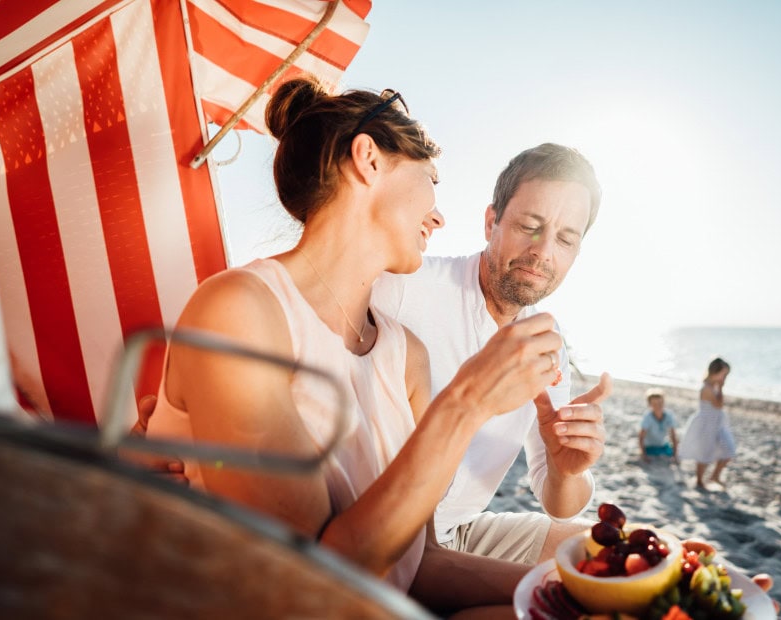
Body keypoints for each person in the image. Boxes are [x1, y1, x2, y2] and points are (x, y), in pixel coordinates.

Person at [145, 76, 562, 616]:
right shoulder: (238, 312)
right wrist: (467, 403)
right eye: (429, 179)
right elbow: (310, 586)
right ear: (367, 159)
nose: (438, 215)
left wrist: (565, 594)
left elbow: (418, 561)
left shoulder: (404, 354)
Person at [372, 143, 610, 565]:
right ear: (491, 221)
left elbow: (559, 504)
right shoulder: (405, 286)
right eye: (530, 225)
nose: (543, 251)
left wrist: (565, 466)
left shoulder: (546, 337)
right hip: (378, 530)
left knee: (609, 556)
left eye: (566, 238)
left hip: (462, 532)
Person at [678, 357, 736, 489]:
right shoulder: (706, 388)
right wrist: (721, 388)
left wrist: (720, 386)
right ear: (716, 371)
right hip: (706, 424)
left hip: (718, 423)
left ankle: (715, 475)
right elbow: (719, 405)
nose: (725, 377)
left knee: (728, 449)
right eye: (724, 374)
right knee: (704, 452)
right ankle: (699, 481)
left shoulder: (714, 385)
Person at [639, 387, 678, 463]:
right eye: (654, 404)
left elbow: (673, 436)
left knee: (671, 453)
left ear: (663, 402)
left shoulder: (669, 415)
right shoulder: (647, 417)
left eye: (660, 403)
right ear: (650, 404)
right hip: (649, 447)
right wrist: (643, 455)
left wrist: (675, 455)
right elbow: (641, 437)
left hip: (662, 446)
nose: (658, 406)